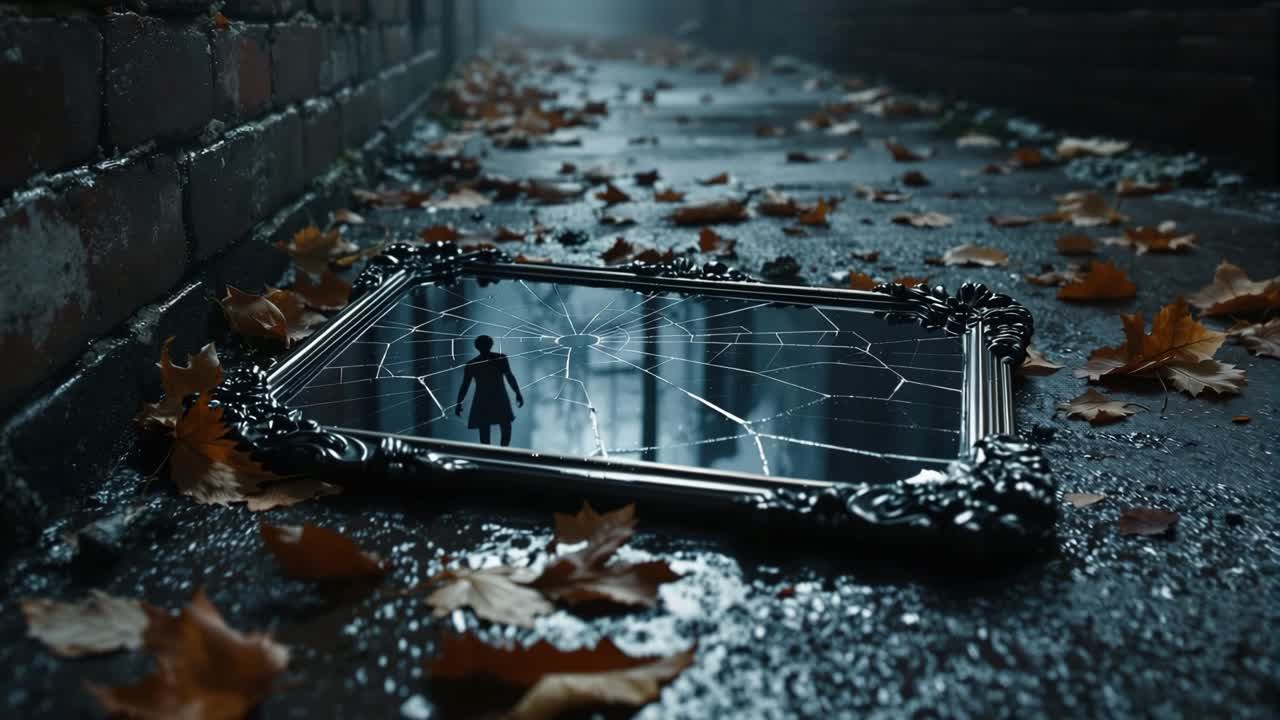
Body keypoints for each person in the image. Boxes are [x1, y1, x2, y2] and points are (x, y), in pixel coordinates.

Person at [455, 335, 523, 446]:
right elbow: (509, 377)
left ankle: (491, 452)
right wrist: (518, 393)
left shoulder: (472, 364)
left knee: (486, 427)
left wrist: (459, 403)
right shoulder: (500, 359)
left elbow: (465, 385)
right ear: (491, 344)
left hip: (483, 398)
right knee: (503, 425)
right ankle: (502, 451)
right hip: (498, 396)